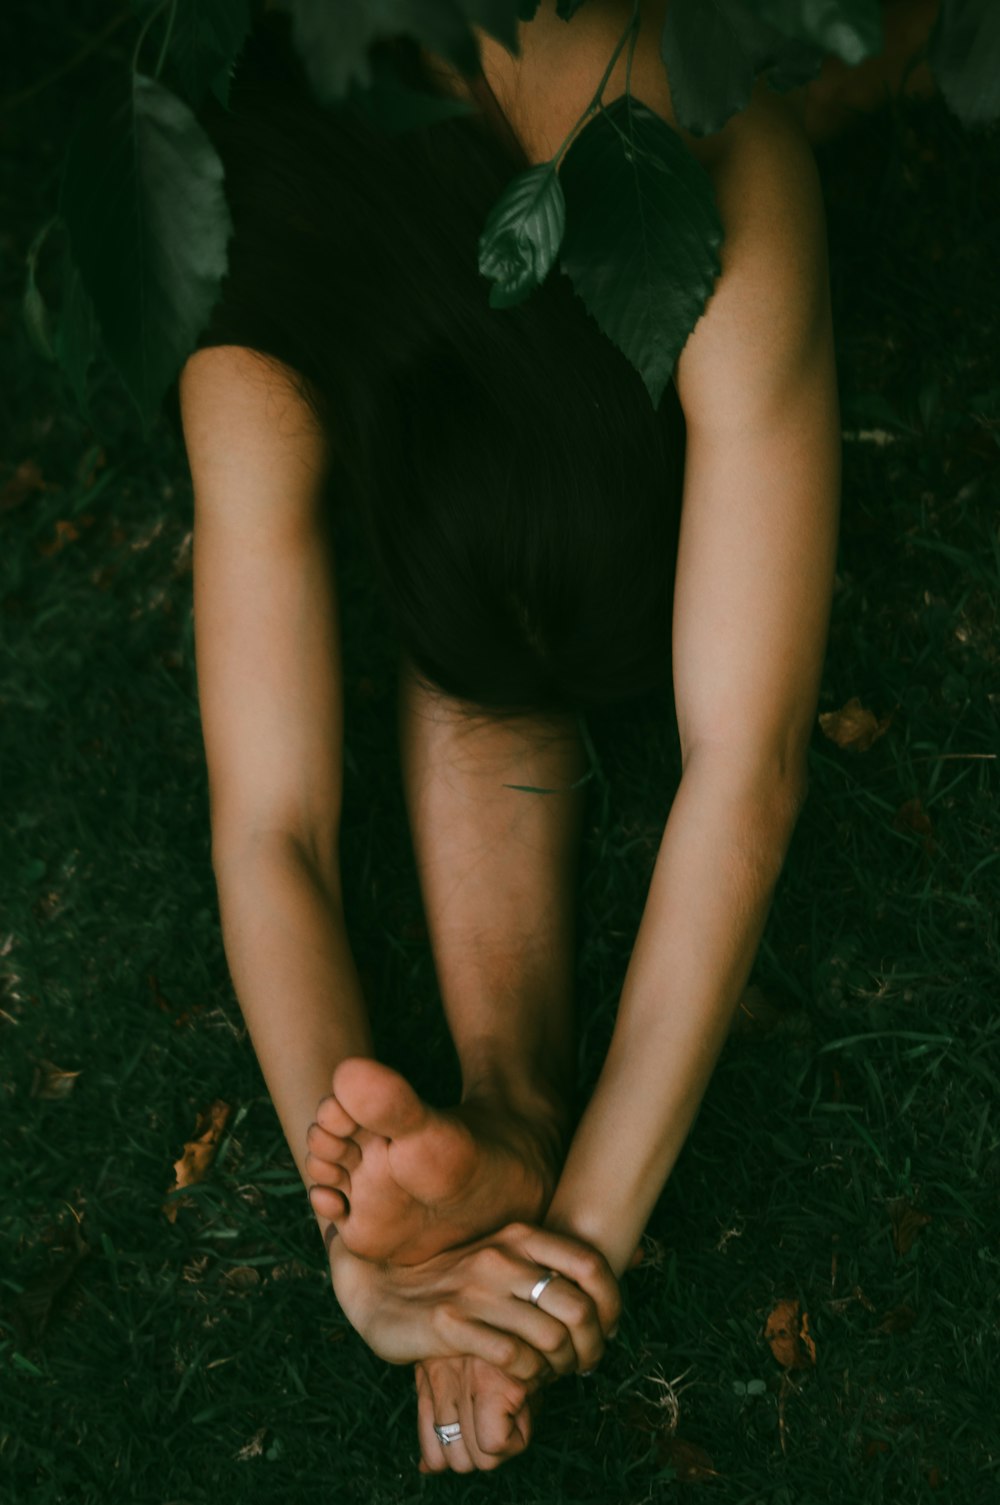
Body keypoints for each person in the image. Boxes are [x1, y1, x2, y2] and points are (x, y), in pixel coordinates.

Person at [175, 0, 939, 1476]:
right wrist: (374, 1245)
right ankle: (504, 1096)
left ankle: (513, 1101)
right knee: (491, 611)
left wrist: (566, 1252)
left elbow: (747, 758)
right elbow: (266, 822)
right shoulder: (252, 335)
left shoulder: (684, 149)